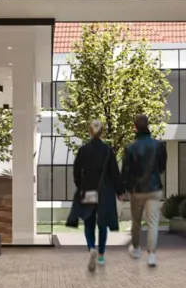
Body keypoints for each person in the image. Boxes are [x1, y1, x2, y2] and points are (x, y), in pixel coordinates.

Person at [66, 119, 121, 271]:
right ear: (101, 132)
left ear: (90, 132)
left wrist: (80, 185)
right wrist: (120, 191)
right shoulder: (108, 151)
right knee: (102, 224)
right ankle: (101, 256)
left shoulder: (83, 150)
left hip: (88, 190)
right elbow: (114, 173)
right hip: (104, 193)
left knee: (88, 221)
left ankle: (91, 248)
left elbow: (76, 171)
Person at [120, 113, 168, 267]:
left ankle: (136, 249)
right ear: (148, 126)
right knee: (153, 222)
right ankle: (152, 255)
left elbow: (126, 171)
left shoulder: (130, 148)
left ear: (135, 128)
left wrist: (124, 189)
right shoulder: (159, 146)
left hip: (137, 190)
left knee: (136, 222)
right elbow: (162, 166)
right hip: (154, 188)